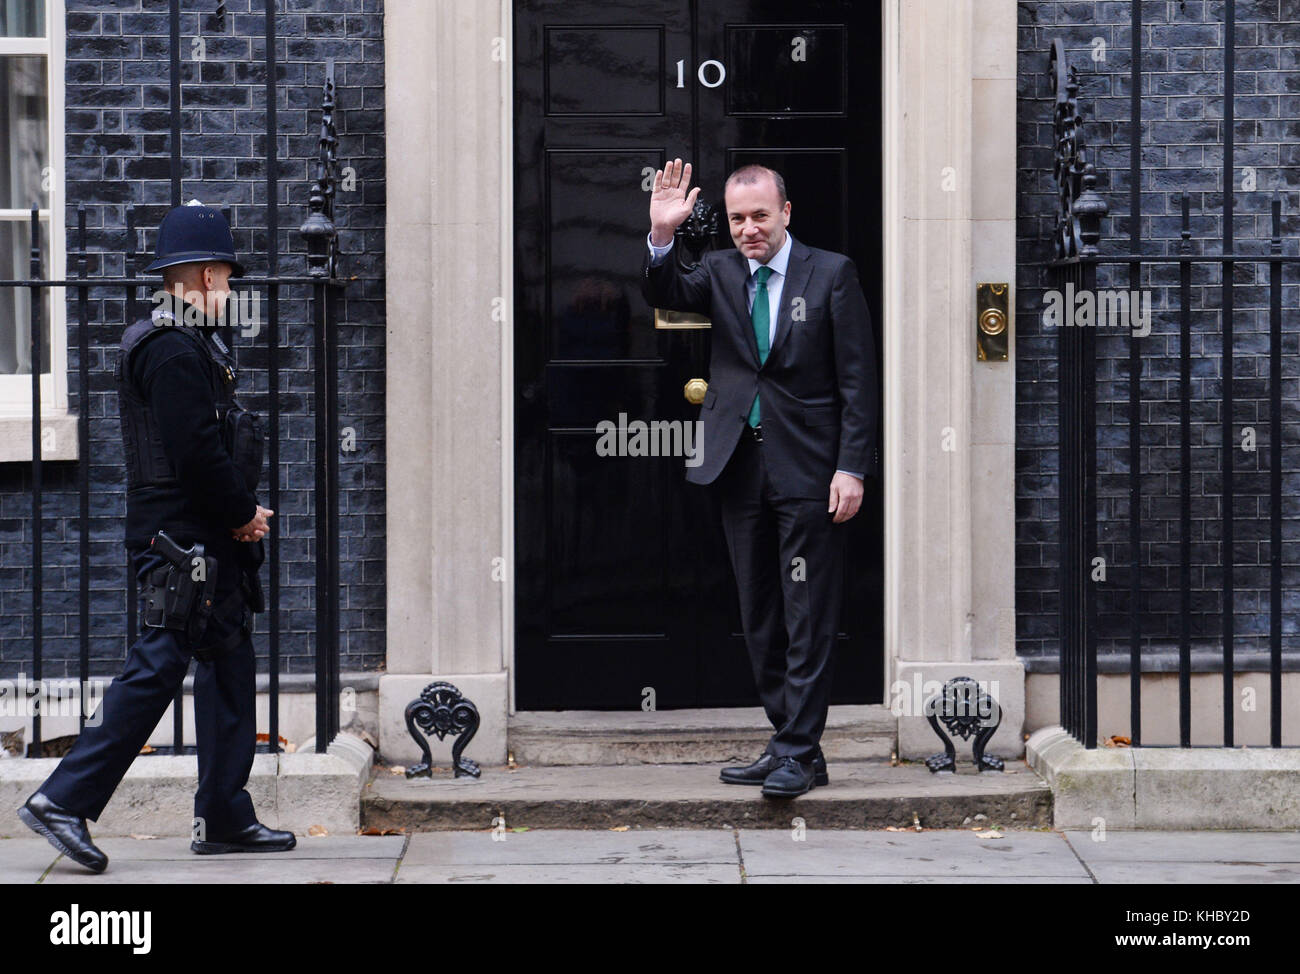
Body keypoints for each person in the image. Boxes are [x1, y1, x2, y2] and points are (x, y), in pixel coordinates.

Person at [16, 202, 295, 871]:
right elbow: (196, 452)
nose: (231, 291)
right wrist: (240, 514)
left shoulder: (193, 343)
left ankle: (225, 813)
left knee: (229, 663)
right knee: (159, 665)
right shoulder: (170, 349)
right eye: (226, 277)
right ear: (199, 275)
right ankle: (63, 799)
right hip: (182, 541)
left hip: (206, 541)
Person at [642, 159, 878, 798]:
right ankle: (791, 744)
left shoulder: (830, 274)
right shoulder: (718, 271)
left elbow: (859, 382)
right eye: (739, 218)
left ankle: (798, 751)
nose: (749, 229)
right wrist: (663, 235)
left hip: (809, 470)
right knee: (761, 614)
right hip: (738, 468)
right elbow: (665, 294)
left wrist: (851, 466)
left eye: (760, 217)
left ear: (786, 214)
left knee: (808, 615)